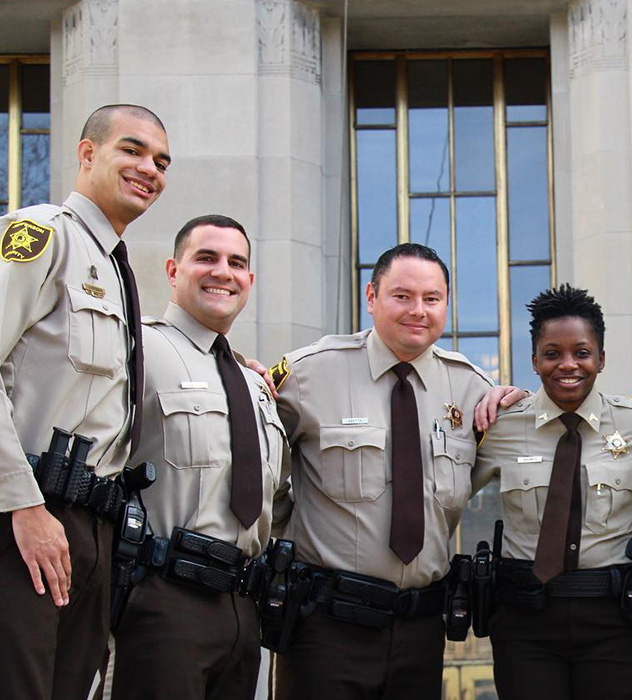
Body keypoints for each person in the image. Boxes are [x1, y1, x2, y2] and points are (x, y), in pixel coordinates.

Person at [271, 242, 517, 699]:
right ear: (371, 297)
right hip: (326, 624)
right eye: (401, 296)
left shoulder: (471, 388)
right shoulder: (308, 374)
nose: (417, 311)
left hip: (420, 628)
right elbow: (254, 459)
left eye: (432, 298)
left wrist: (519, 400)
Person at [0, 104, 169, 699]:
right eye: (133, 150)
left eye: (161, 161)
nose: (149, 168)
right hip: (25, 520)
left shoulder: (116, 272)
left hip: (92, 531)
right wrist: (21, 504)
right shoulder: (40, 236)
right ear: (87, 152)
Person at [108, 215, 289, 699]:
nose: (222, 272)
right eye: (206, 258)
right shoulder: (134, 349)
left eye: (237, 262)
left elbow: (278, 498)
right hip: (162, 600)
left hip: (242, 609)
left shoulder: (256, 387)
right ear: (173, 270)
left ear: (249, 280)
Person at [473, 284, 632, 700]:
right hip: (524, 622)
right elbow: (445, 492)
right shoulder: (500, 426)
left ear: (601, 358)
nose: (568, 365)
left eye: (582, 353)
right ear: (534, 360)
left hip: (613, 621)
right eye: (552, 353)